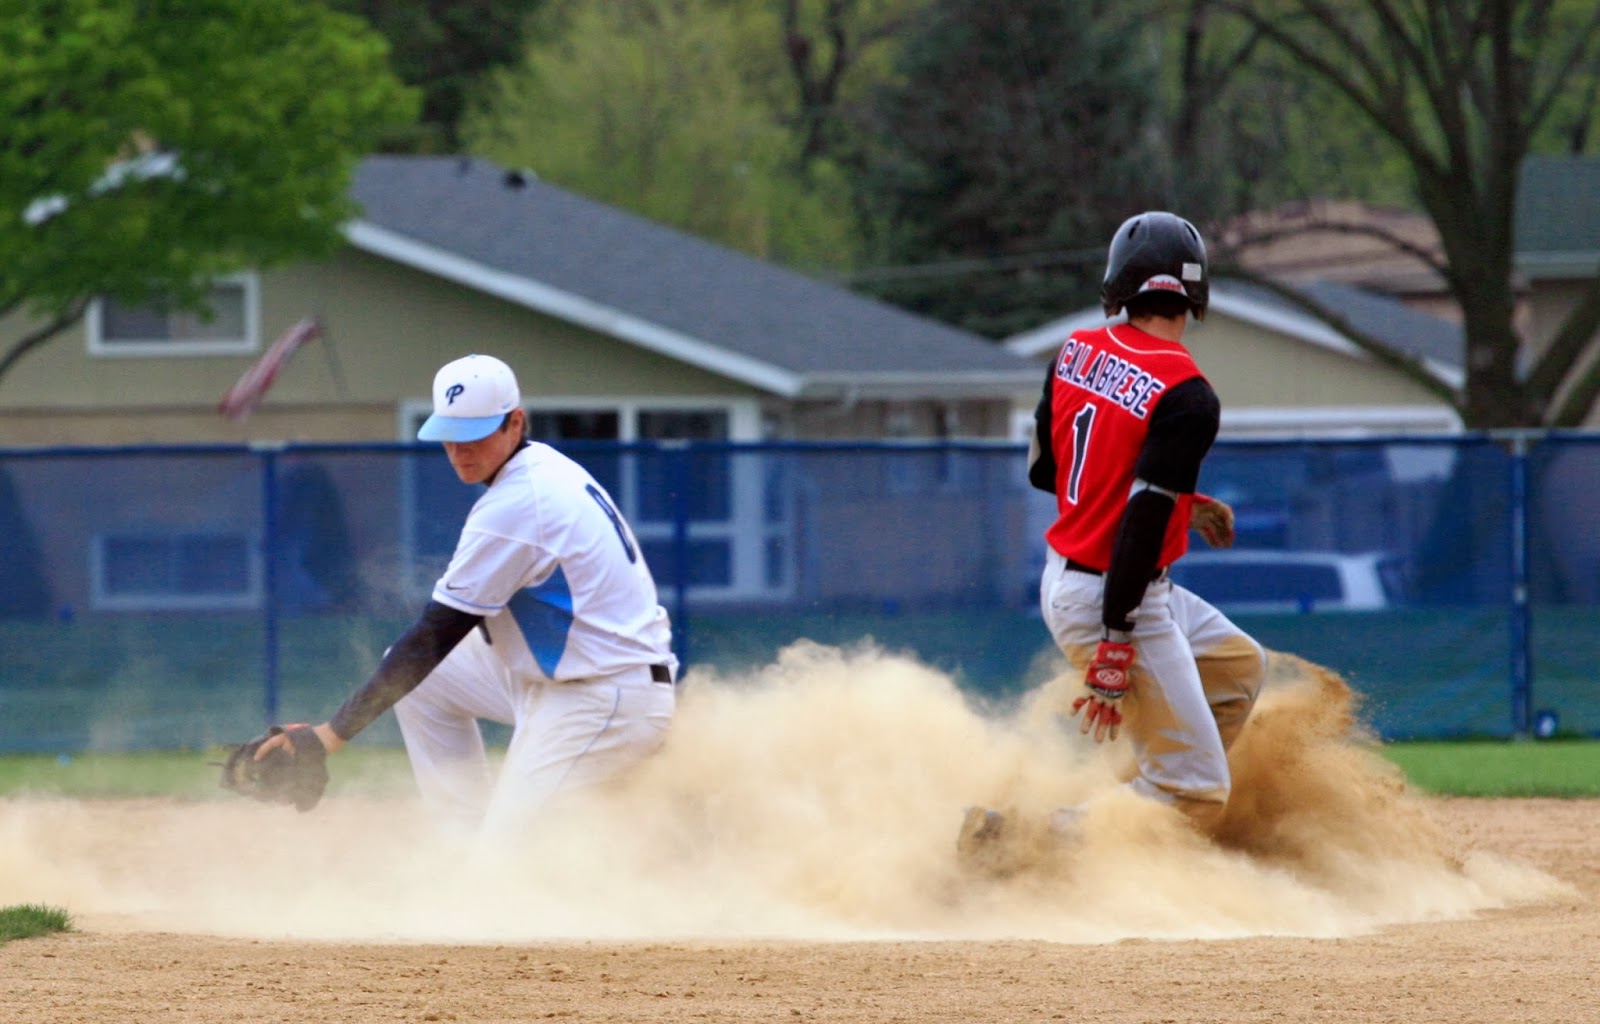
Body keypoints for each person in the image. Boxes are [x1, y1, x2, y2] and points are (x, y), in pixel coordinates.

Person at [256, 353, 677, 836]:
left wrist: (328, 736)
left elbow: (435, 635)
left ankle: (489, 862)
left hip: (603, 698)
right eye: (449, 436)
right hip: (566, 678)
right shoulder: (539, 469)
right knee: (425, 683)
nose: (460, 451)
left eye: (475, 434)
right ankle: (460, 843)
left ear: (515, 422)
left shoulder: (519, 505)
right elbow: (432, 651)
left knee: (505, 867)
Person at [960, 211, 1265, 867]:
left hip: (1080, 576)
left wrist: (1178, 501)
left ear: (1121, 283)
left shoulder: (1074, 352)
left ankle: (1139, 802)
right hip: (1117, 595)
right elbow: (1138, 519)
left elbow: (1051, 471)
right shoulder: (1188, 395)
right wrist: (1117, 639)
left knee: (1238, 669)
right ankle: (1023, 842)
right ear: (1193, 292)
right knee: (1201, 792)